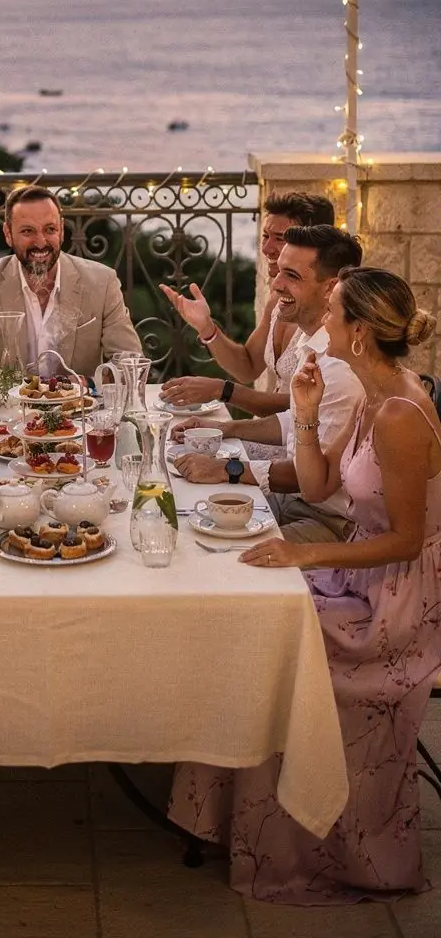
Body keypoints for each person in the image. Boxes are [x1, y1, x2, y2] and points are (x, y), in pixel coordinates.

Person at [169, 268, 441, 904]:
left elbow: (406, 540)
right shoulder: (376, 393)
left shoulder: (402, 412)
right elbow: (320, 488)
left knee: (261, 636)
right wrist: (310, 416)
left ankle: (291, 833)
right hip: (358, 571)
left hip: (395, 604)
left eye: (335, 312)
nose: (324, 322)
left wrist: (303, 553)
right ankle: (223, 816)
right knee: (241, 612)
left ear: (361, 331)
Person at [174, 225, 365, 544]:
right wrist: (227, 429)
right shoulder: (311, 339)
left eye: (291, 275)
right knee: (192, 514)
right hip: (298, 501)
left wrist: (226, 469)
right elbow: (296, 422)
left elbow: (312, 479)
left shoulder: (342, 366)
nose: (276, 284)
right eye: (278, 272)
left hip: (334, 520)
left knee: (225, 552)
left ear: (331, 288)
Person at [0, 184, 141, 390]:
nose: (41, 242)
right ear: (8, 233)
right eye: (27, 231)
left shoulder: (102, 282)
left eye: (50, 229)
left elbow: (131, 362)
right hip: (9, 417)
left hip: (80, 413)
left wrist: (86, 384)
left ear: (61, 230)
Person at [160, 190, 335, 417]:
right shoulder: (278, 301)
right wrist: (207, 328)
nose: (266, 248)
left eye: (280, 238)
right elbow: (248, 367)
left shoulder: (329, 312)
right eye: (265, 236)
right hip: (271, 428)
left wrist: (221, 390)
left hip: (297, 436)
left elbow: (310, 403)